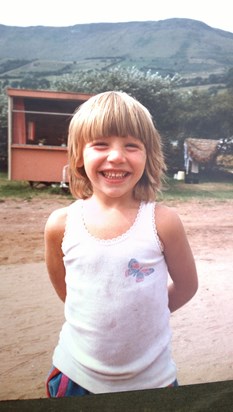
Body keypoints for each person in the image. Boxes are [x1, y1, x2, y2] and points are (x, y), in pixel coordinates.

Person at [45, 91, 198, 397]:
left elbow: (186, 286)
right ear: (78, 155)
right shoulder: (60, 224)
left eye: (131, 145)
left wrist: (145, 313)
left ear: (148, 154)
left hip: (153, 380)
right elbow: (67, 290)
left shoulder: (163, 222)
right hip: (76, 377)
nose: (116, 156)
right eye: (100, 144)